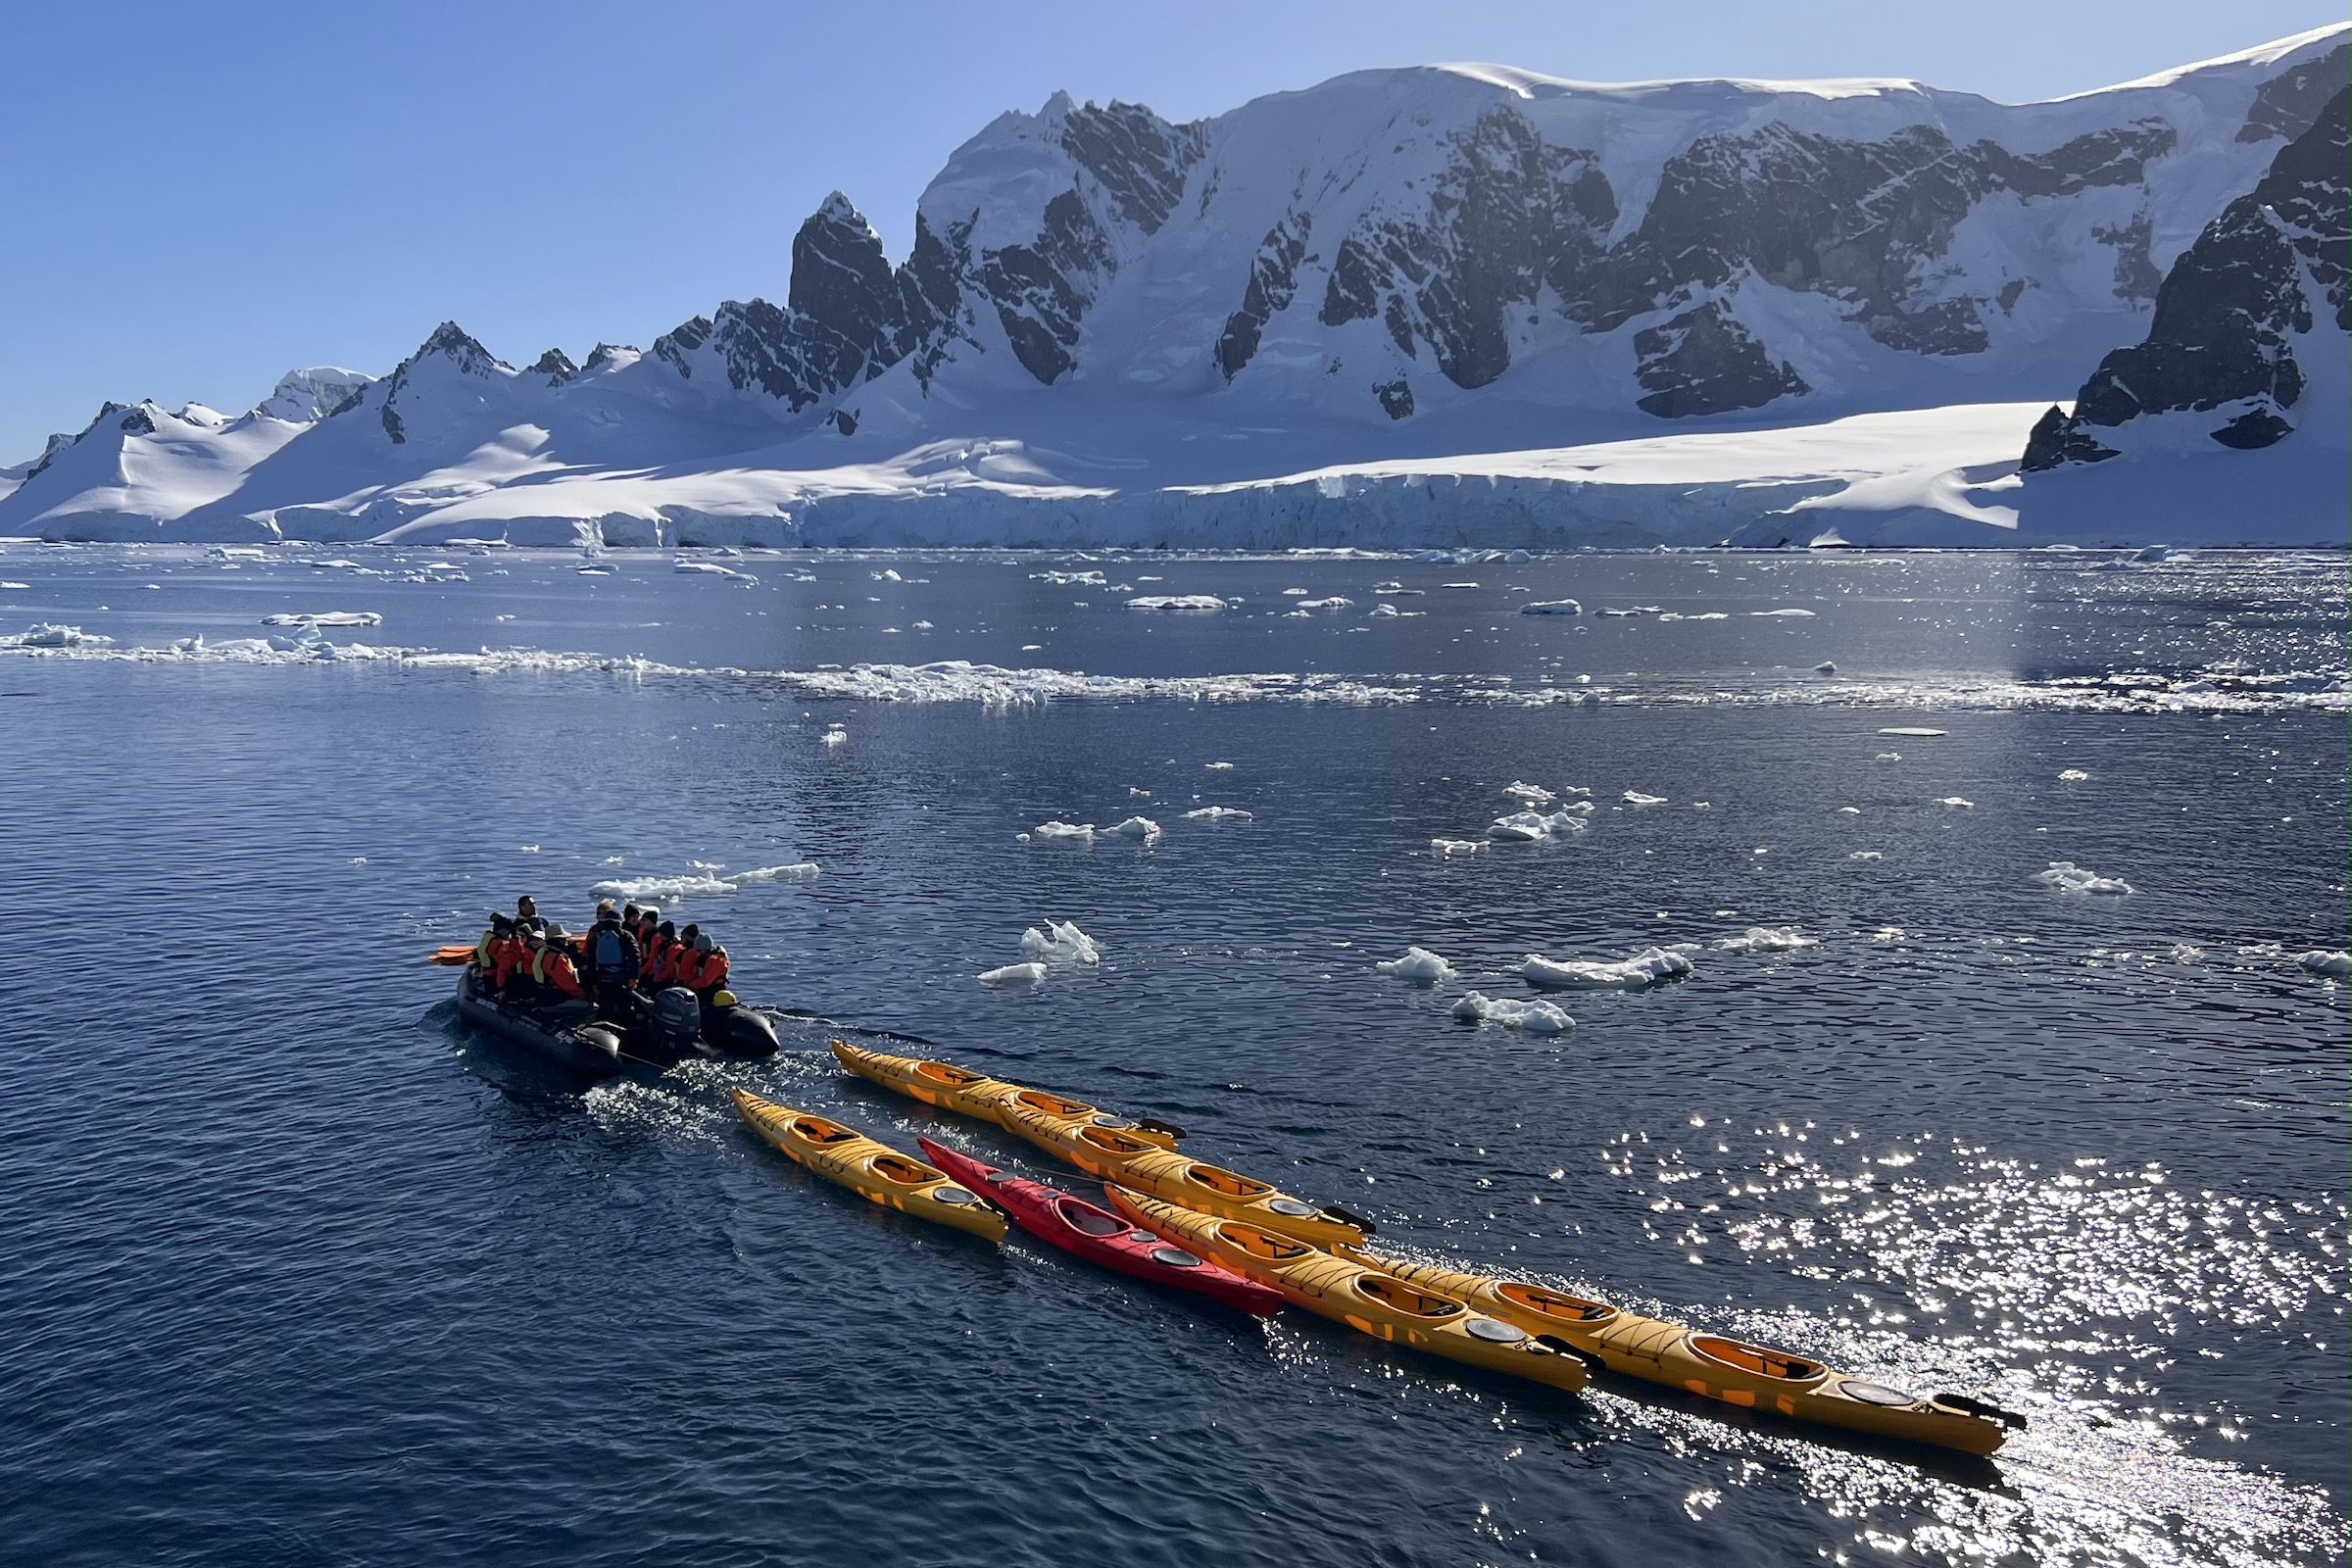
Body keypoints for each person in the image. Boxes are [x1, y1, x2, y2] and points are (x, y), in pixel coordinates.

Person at [583, 902, 642, 1020]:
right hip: (622, 978)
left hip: (603, 978)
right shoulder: (625, 935)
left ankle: (604, 1031)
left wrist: (594, 981)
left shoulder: (597, 935)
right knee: (625, 1008)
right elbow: (635, 957)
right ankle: (630, 1032)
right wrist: (634, 977)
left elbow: (590, 960)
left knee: (605, 1008)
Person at [529, 924, 586, 1001]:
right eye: (563, 940)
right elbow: (568, 985)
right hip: (555, 999)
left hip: (544, 996)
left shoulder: (545, 952)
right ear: (556, 940)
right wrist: (585, 996)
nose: (566, 942)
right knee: (593, 1008)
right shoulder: (556, 958)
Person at [639, 917, 676, 991]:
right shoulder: (662, 945)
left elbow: (669, 971)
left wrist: (657, 978)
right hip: (657, 974)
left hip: (666, 979)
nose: (660, 936)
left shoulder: (673, 949)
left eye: (662, 934)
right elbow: (655, 961)